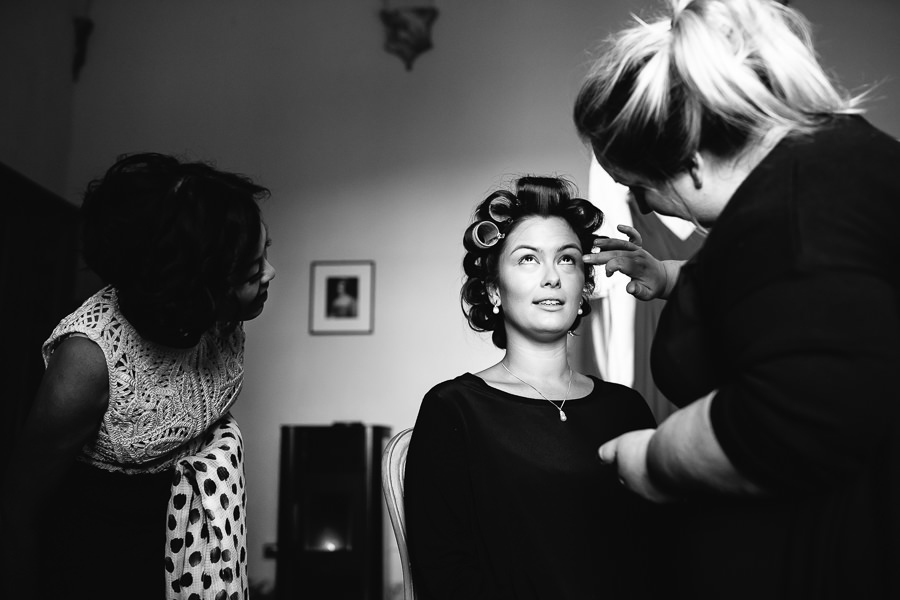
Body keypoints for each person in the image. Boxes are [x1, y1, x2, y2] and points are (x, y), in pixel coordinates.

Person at [573, 0, 900, 598]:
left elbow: (786, 421)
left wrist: (654, 459)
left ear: (692, 161)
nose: (645, 208)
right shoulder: (831, 170)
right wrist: (672, 277)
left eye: (640, 189)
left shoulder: (794, 213)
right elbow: (794, 307)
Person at [1, 152, 276, 600]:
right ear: (195, 287)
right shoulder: (89, 362)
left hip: (194, 559)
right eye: (251, 272)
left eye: (266, 252)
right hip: (100, 570)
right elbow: (16, 511)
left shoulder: (220, 321)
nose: (269, 273)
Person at [403, 176, 660, 600]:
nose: (551, 277)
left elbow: (660, 556)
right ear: (493, 290)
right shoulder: (454, 409)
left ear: (584, 290)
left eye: (567, 260)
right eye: (527, 259)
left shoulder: (627, 409)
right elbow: (444, 573)